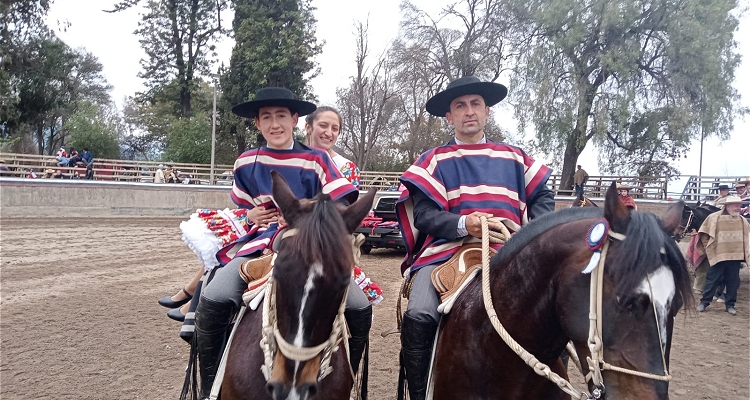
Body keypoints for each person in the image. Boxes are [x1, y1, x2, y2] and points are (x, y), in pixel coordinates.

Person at [192, 87, 369, 398]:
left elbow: (340, 202)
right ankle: (210, 385)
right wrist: (251, 215)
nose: (275, 124)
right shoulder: (246, 161)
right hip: (259, 244)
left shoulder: (316, 159)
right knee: (215, 296)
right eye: (266, 118)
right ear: (258, 124)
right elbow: (243, 208)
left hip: (310, 245)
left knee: (359, 305)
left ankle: (347, 377)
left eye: (281, 116)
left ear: (295, 120)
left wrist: (303, 210)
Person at [395, 76, 555, 400]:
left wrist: (529, 236)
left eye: (475, 104)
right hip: (445, 252)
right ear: (449, 117)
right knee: (419, 314)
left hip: (510, 251)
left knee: (552, 311)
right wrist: (465, 224)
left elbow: (543, 199)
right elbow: (424, 215)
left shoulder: (515, 157)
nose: (469, 111)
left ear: (487, 112)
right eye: (460, 106)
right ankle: (419, 392)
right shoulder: (433, 160)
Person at [695, 196, 749, 316]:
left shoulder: (742, 221)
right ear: (727, 206)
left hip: (735, 257)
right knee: (711, 280)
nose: (738, 208)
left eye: (739, 205)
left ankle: (730, 305)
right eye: (736, 205)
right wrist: (708, 247)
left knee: (732, 281)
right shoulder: (713, 218)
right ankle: (704, 302)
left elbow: (747, 237)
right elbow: (703, 233)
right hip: (717, 255)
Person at [305, 106, 361, 188]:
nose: (328, 133)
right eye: (323, 125)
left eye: (334, 129)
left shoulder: (347, 168)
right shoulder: (293, 160)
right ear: (308, 127)